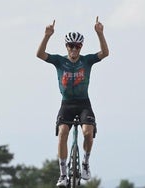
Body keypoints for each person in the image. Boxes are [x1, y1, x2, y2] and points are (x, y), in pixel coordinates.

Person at [36, 16, 109, 187]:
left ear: (81, 47)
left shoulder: (87, 60)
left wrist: (100, 33)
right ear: (66, 47)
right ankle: (62, 175)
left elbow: (105, 53)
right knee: (62, 133)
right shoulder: (59, 61)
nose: (74, 49)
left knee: (87, 133)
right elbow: (39, 54)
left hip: (84, 103)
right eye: (71, 46)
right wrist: (47, 35)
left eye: (77, 46)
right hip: (66, 104)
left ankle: (85, 163)